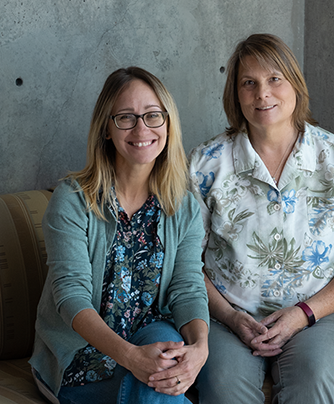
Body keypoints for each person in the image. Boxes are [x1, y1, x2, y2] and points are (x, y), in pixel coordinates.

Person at [188, 33, 334, 404]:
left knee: (310, 380)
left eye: (274, 79)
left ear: (295, 84)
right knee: (224, 385)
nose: (262, 94)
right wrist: (232, 319)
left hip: (322, 313)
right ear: (236, 95)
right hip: (225, 317)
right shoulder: (205, 163)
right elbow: (186, 266)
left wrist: (301, 315)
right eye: (249, 83)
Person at [29, 67, 209, 404]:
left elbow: (187, 287)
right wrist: (131, 358)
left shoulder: (182, 203)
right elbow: (71, 297)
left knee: (162, 373)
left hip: (153, 333)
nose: (142, 128)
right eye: (126, 117)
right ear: (106, 130)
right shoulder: (73, 200)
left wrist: (200, 347)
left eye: (153, 116)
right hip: (82, 353)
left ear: (168, 124)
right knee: (158, 391)